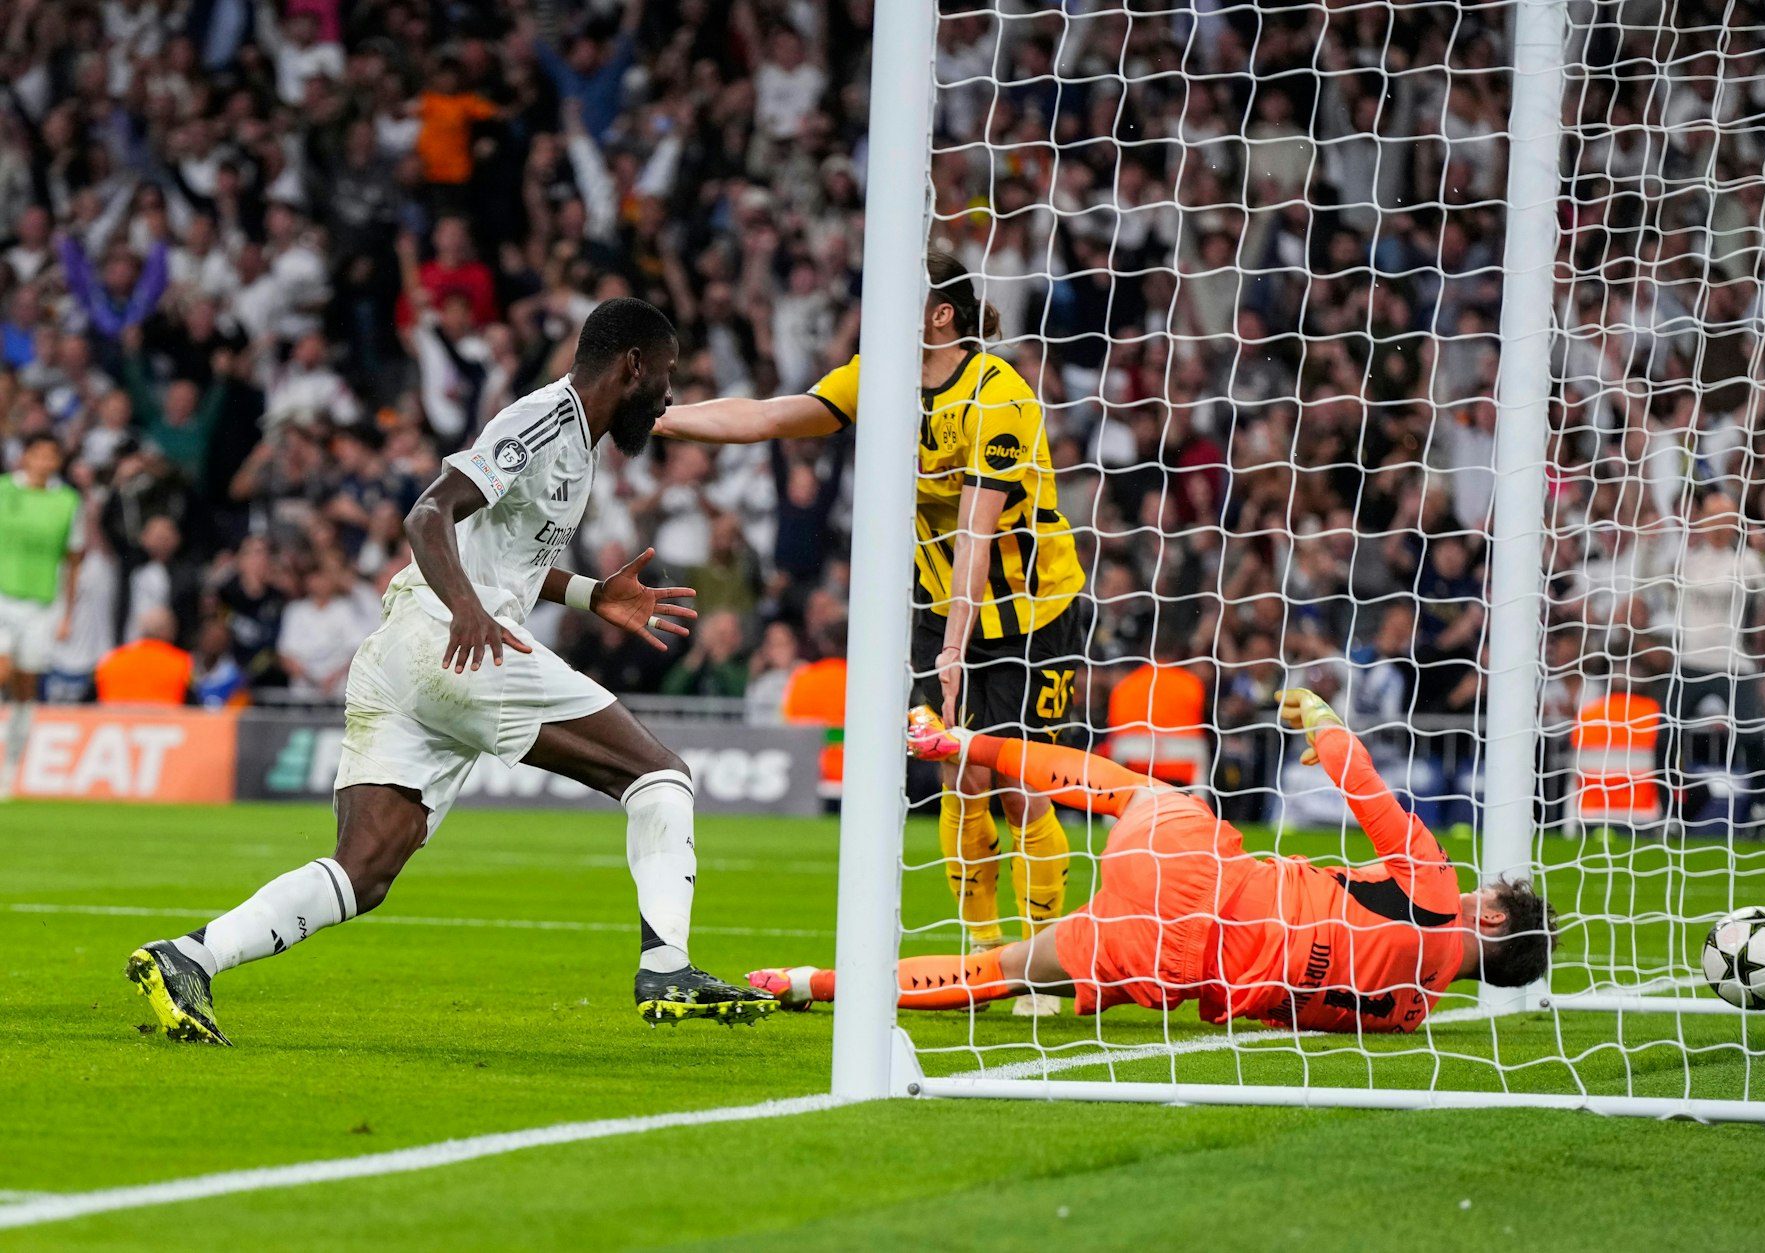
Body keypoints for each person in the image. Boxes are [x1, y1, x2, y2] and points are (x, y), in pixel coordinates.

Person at [127, 298, 775, 1045]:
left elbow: (507, 553)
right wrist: (468, 609)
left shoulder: (580, 443)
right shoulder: (542, 421)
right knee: (657, 775)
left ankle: (187, 957)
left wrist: (592, 594)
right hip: (458, 644)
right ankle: (667, 966)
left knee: (362, 870)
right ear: (631, 364)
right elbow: (427, 513)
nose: (668, 395)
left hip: (407, 657)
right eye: (665, 375)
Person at [656, 251, 1087, 1015]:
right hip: (936, 610)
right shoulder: (878, 377)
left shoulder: (1001, 396)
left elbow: (977, 537)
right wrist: (655, 416)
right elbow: (762, 417)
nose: (867, 311)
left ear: (940, 314)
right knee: (960, 775)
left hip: (1031, 610)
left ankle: (1047, 964)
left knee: (1018, 783)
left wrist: (956, 645)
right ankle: (987, 960)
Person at [751, 694, 1556, 1033]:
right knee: (998, 972)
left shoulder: (1439, 890)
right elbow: (1276, 1011)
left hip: (1200, 878)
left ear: (1489, 916)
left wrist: (1323, 718)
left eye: (1491, 890)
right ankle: (803, 982)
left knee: (1128, 789)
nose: (1478, 885)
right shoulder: (1405, 1014)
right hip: (1177, 966)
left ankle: (956, 743)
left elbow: (1368, 792)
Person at [0, 432, 83, 701]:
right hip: (2, 596)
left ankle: (16, 742)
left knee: (26, 684)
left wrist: (68, 616)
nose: (44, 462)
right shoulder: (3, 489)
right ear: (25, 456)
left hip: (41, 604)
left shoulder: (68, 502)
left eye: (51, 456)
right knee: (2, 668)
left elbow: (73, 562)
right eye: (39, 454)